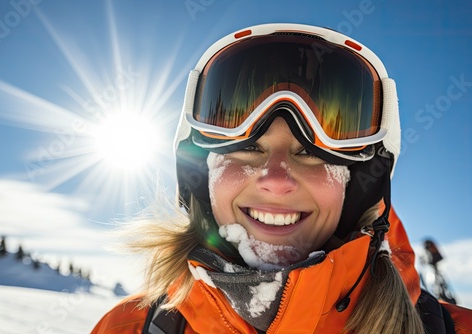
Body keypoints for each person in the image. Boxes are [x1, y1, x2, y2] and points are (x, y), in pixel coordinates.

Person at [92, 23, 472, 333]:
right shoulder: (125, 327)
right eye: (248, 149)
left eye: (308, 153)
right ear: (200, 177)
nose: (276, 180)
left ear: (360, 187)